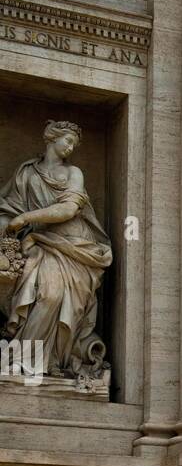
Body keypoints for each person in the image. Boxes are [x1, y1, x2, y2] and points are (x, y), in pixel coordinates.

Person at [0, 120, 112, 378]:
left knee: (57, 298)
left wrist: (25, 219)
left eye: (74, 143)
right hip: (39, 242)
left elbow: (68, 209)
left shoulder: (74, 173)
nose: (71, 147)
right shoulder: (26, 173)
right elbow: (8, 208)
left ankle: (46, 362)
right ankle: (30, 362)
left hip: (75, 247)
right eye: (67, 140)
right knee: (41, 294)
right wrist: (9, 225)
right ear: (51, 137)